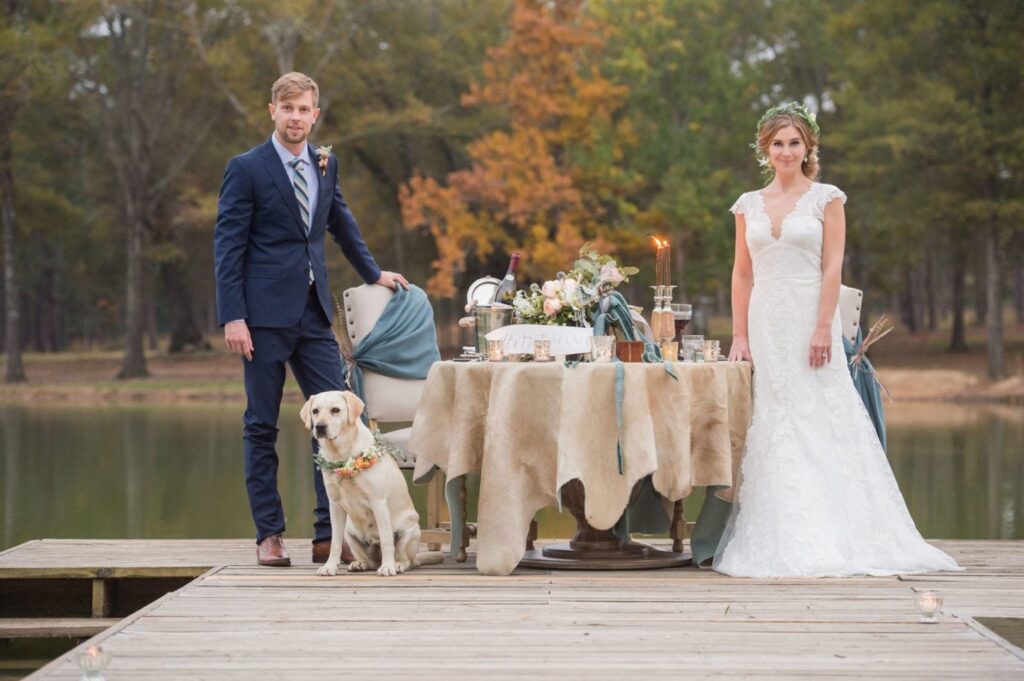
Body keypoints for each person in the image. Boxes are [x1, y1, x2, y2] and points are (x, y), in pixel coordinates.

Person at [715, 102, 959, 577]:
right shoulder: (748, 205)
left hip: (811, 315)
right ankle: (781, 529)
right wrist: (740, 333)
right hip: (766, 319)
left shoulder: (827, 198)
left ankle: (844, 531)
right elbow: (742, 272)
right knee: (776, 415)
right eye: (778, 143)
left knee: (820, 414)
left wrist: (824, 325)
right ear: (766, 150)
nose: (787, 151)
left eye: (794, 142)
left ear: (808, 147)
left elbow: (832, 265)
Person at [214, 72, 408, 567]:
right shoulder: (247, 169)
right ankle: (270, 535)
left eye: (304, 110)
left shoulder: (326, 162)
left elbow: (341, 222)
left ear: (315, 114)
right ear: (273, 111)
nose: (296, 117)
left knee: (340, 421)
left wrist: (373, 272)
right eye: (288, 109)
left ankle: (329, 534)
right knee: (261, 425)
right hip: (260, 319)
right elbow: (229, 245)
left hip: (314, 314)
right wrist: (232, 315)